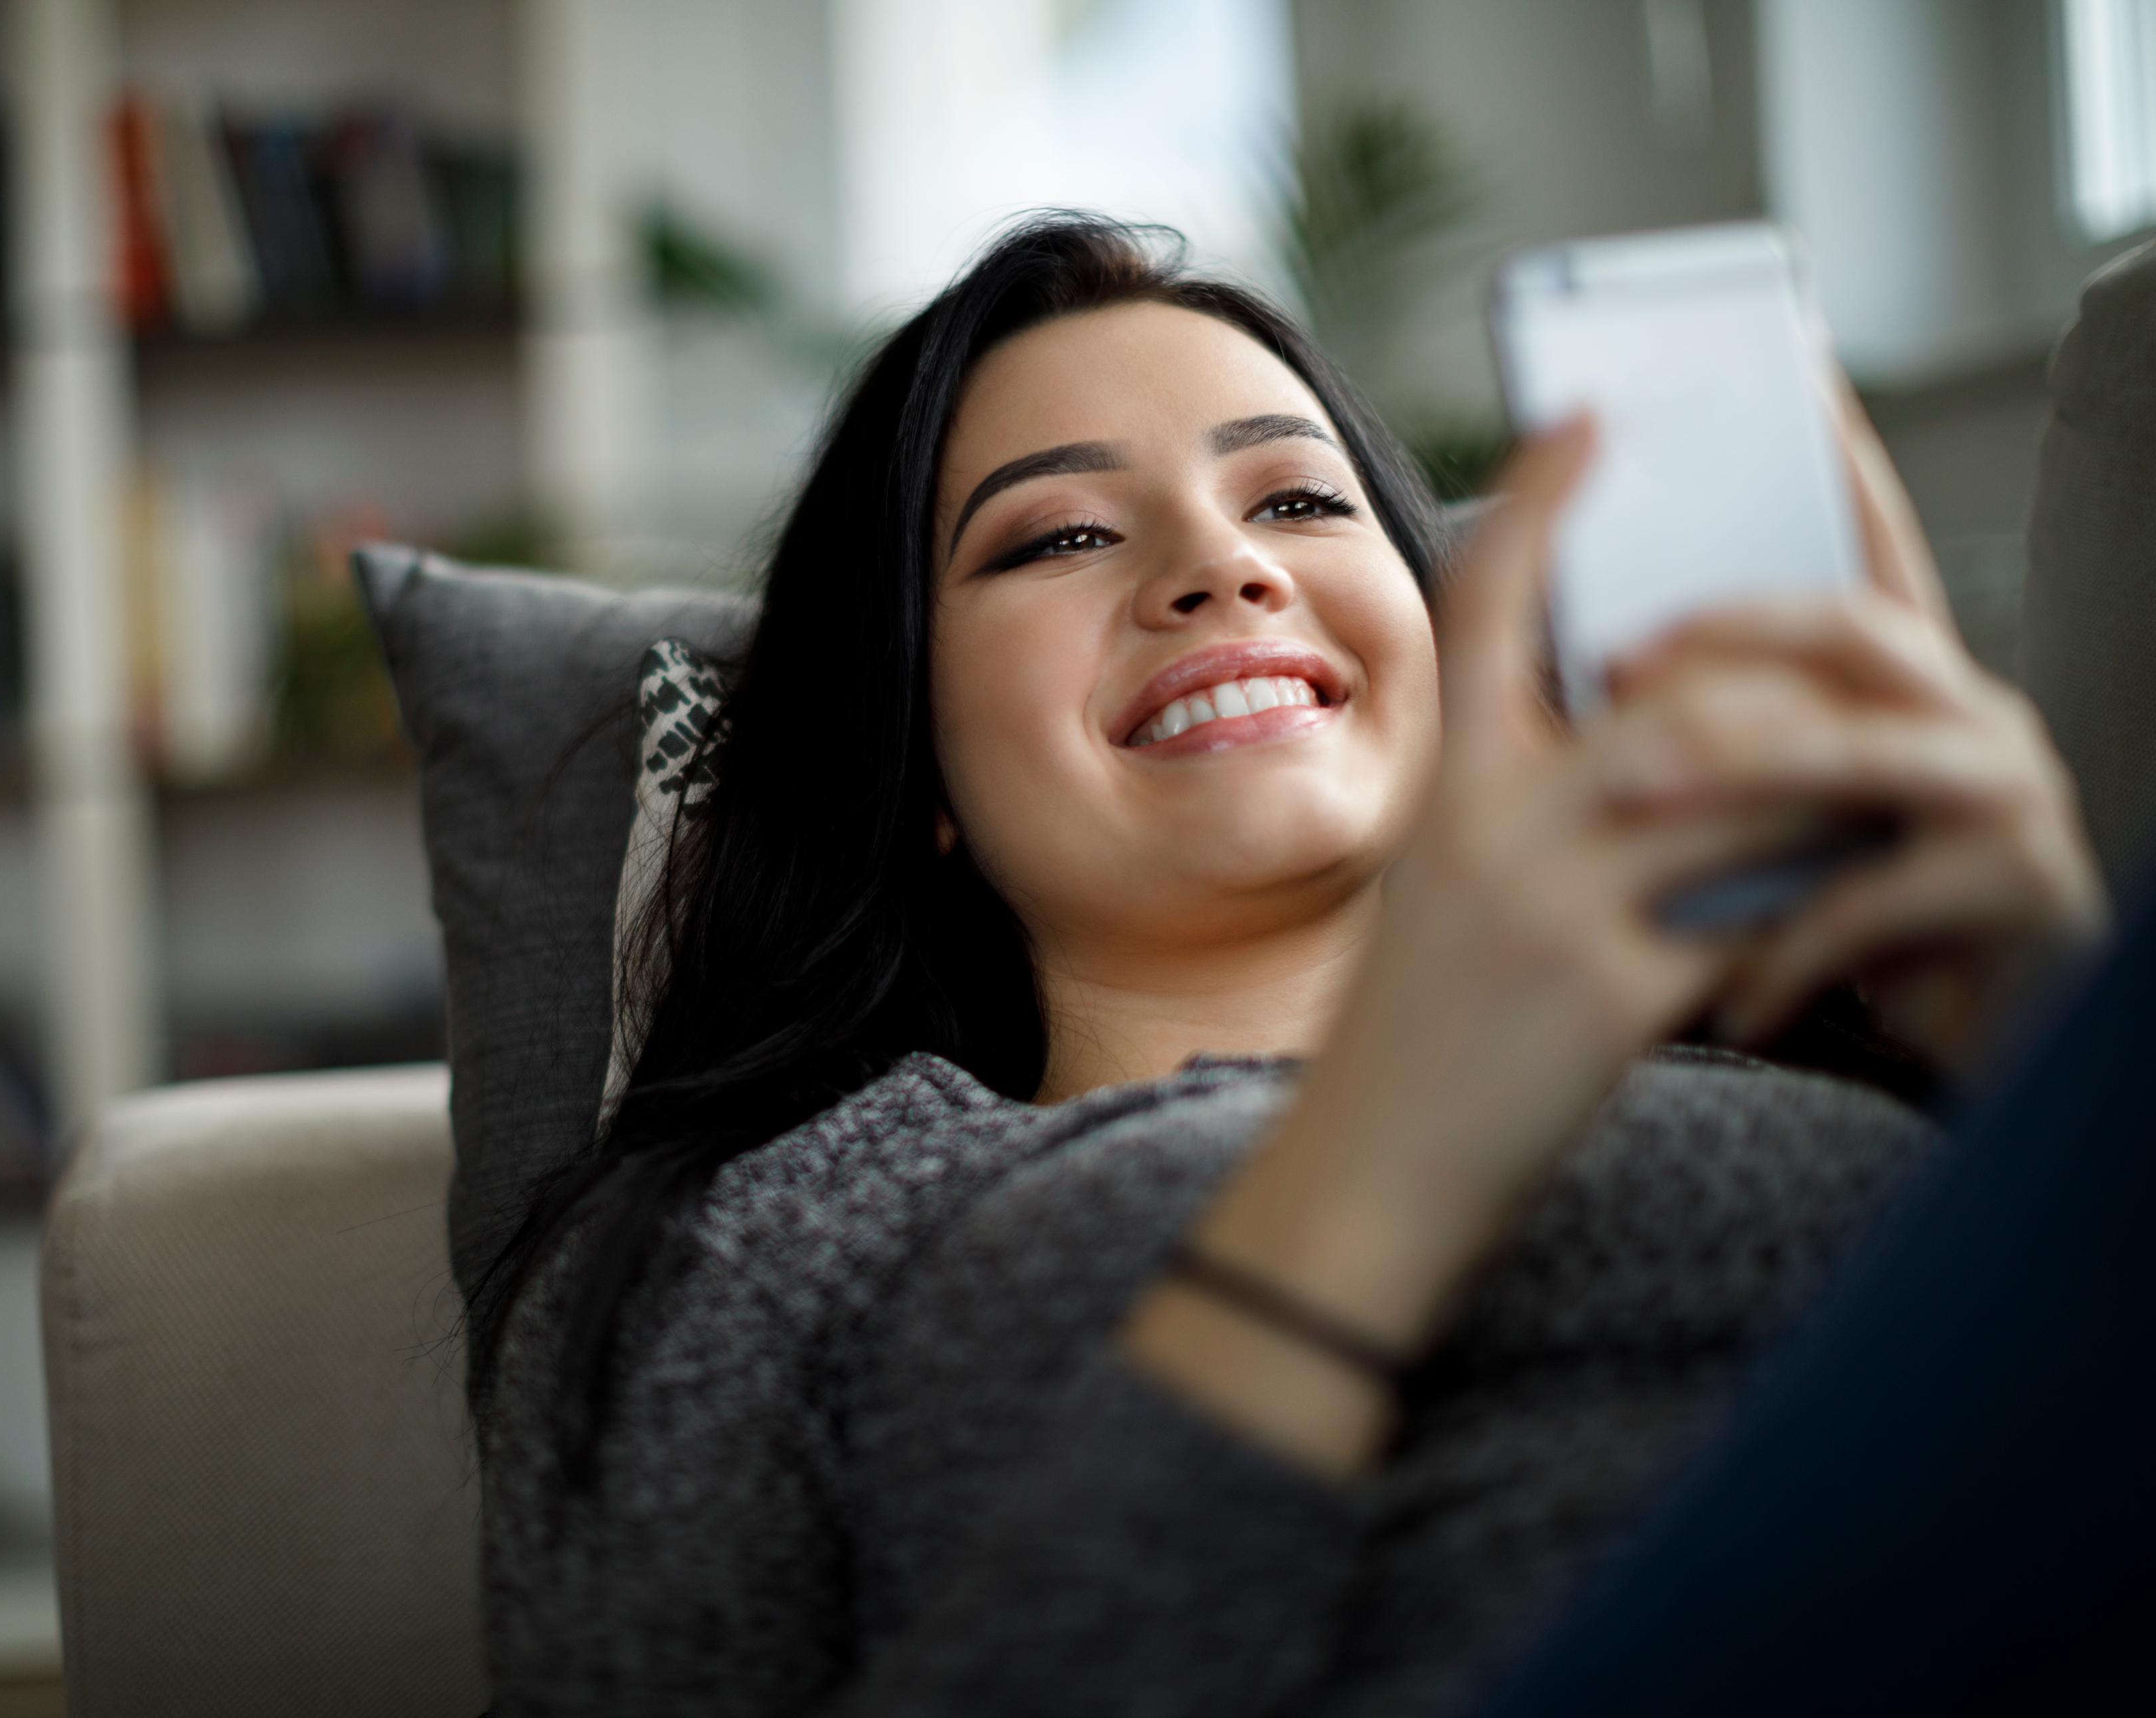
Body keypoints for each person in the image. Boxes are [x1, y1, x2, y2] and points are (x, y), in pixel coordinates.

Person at [464, 217, 2112, 1715]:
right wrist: (1383, 1170)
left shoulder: (1855, 1042)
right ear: (916, 766)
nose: (1220, 566)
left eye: (1302, 501)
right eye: (1054, 537)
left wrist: (2064, 1044)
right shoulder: (764, 1231)